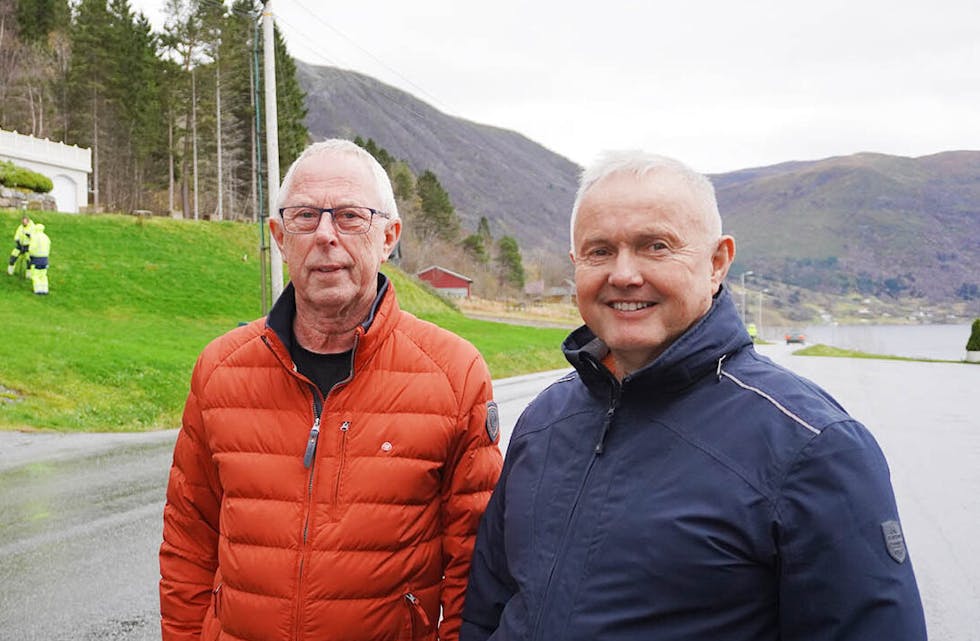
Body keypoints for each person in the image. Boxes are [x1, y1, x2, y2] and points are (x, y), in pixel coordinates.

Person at [461, 150, 926, 640]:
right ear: (576, 263)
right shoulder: (544, 420)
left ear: (717, 262)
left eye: (655, 246)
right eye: (599, 251)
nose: (623, 274)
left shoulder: (811, 446)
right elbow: (487, 609)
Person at [160, 139, 503, 641]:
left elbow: (475, 566)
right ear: (280, 236)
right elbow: (188, 547)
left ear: (389, 237)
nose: (325, 235)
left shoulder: (454, 374)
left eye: (349, 216)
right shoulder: (220, 370)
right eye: (304, 217)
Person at [26, 222, 50, 295]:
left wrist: (29, 254)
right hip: (45, 258)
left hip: (36, 258)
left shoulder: (35, 237)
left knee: (35, 275)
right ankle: (45, 289)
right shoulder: (46, 237)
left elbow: (32, 248)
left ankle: (37, 289)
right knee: (43, 275)